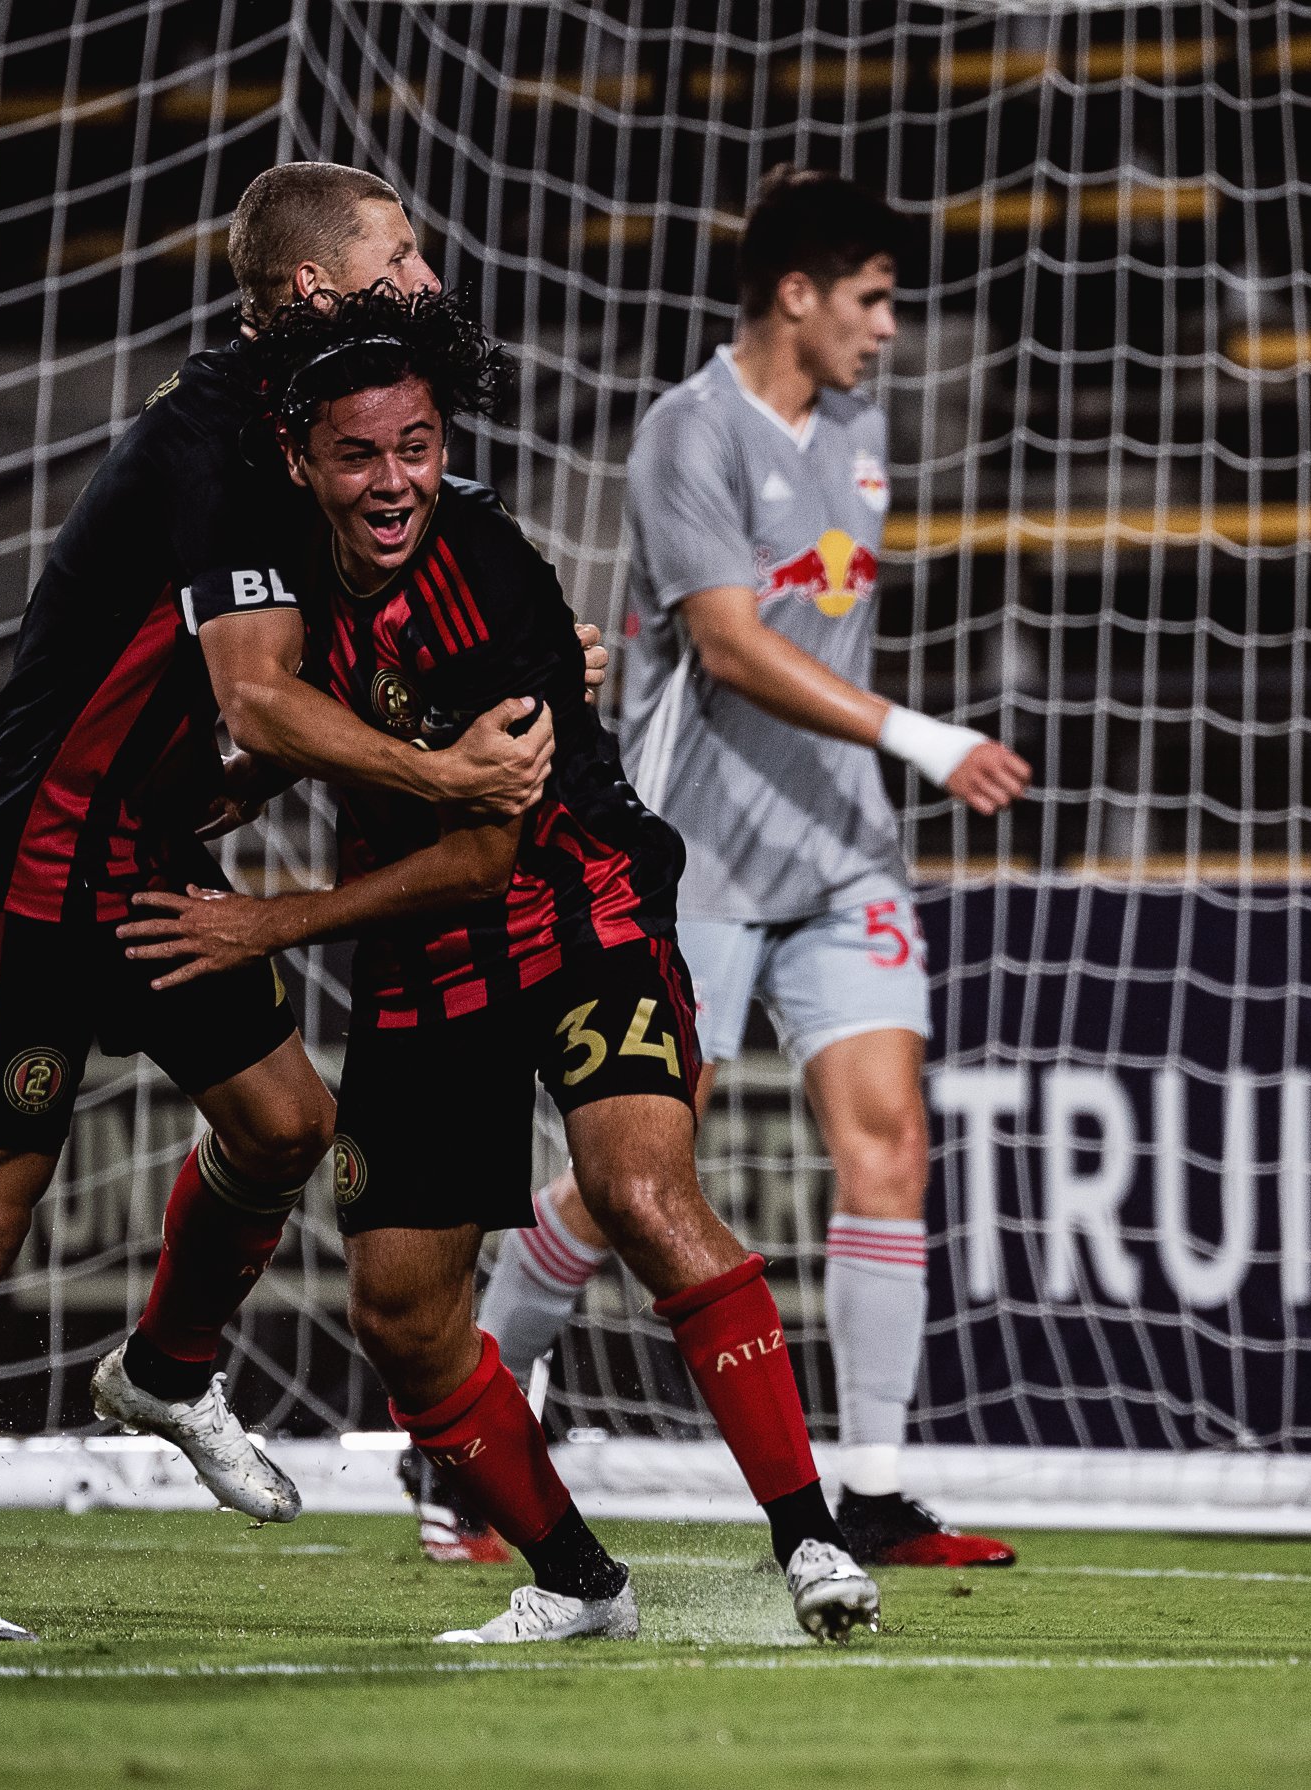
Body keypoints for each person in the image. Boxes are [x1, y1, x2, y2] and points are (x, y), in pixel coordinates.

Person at [0, 163, 582, 1644]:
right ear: (316, 294)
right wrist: (443, 773)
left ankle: (168, 1369)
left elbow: (245, 713)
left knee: (286, 1122)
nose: (431, 285)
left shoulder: (324, 428)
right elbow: (259, 690)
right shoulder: (222, 446)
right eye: (403, 259)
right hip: (32, 864)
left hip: (148, 854)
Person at [118, 284, 882, 1644]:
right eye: (360, 454)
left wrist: (262, 919)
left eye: (416, 445)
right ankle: (579, 1580)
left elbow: (481, 853)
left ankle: (812, 1540)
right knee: (401, 1309)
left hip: (572, 904)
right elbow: (262, 714)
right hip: (420, 950)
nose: (394, 479)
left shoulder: (491, 580)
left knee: (637, 1189)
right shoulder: (268, 555)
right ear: (302, 459)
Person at [469, 167, 1032, 1570]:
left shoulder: (858, 424)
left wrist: (877, 763)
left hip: (843, 855)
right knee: (626, 1179)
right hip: (692, 862)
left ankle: (879, 1488)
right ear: (796, 293)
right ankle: (466, 1430)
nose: (890, 331)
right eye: (872, 301)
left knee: (889, 1146)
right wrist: (918, 731)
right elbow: (723, 642)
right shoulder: (683, 434)